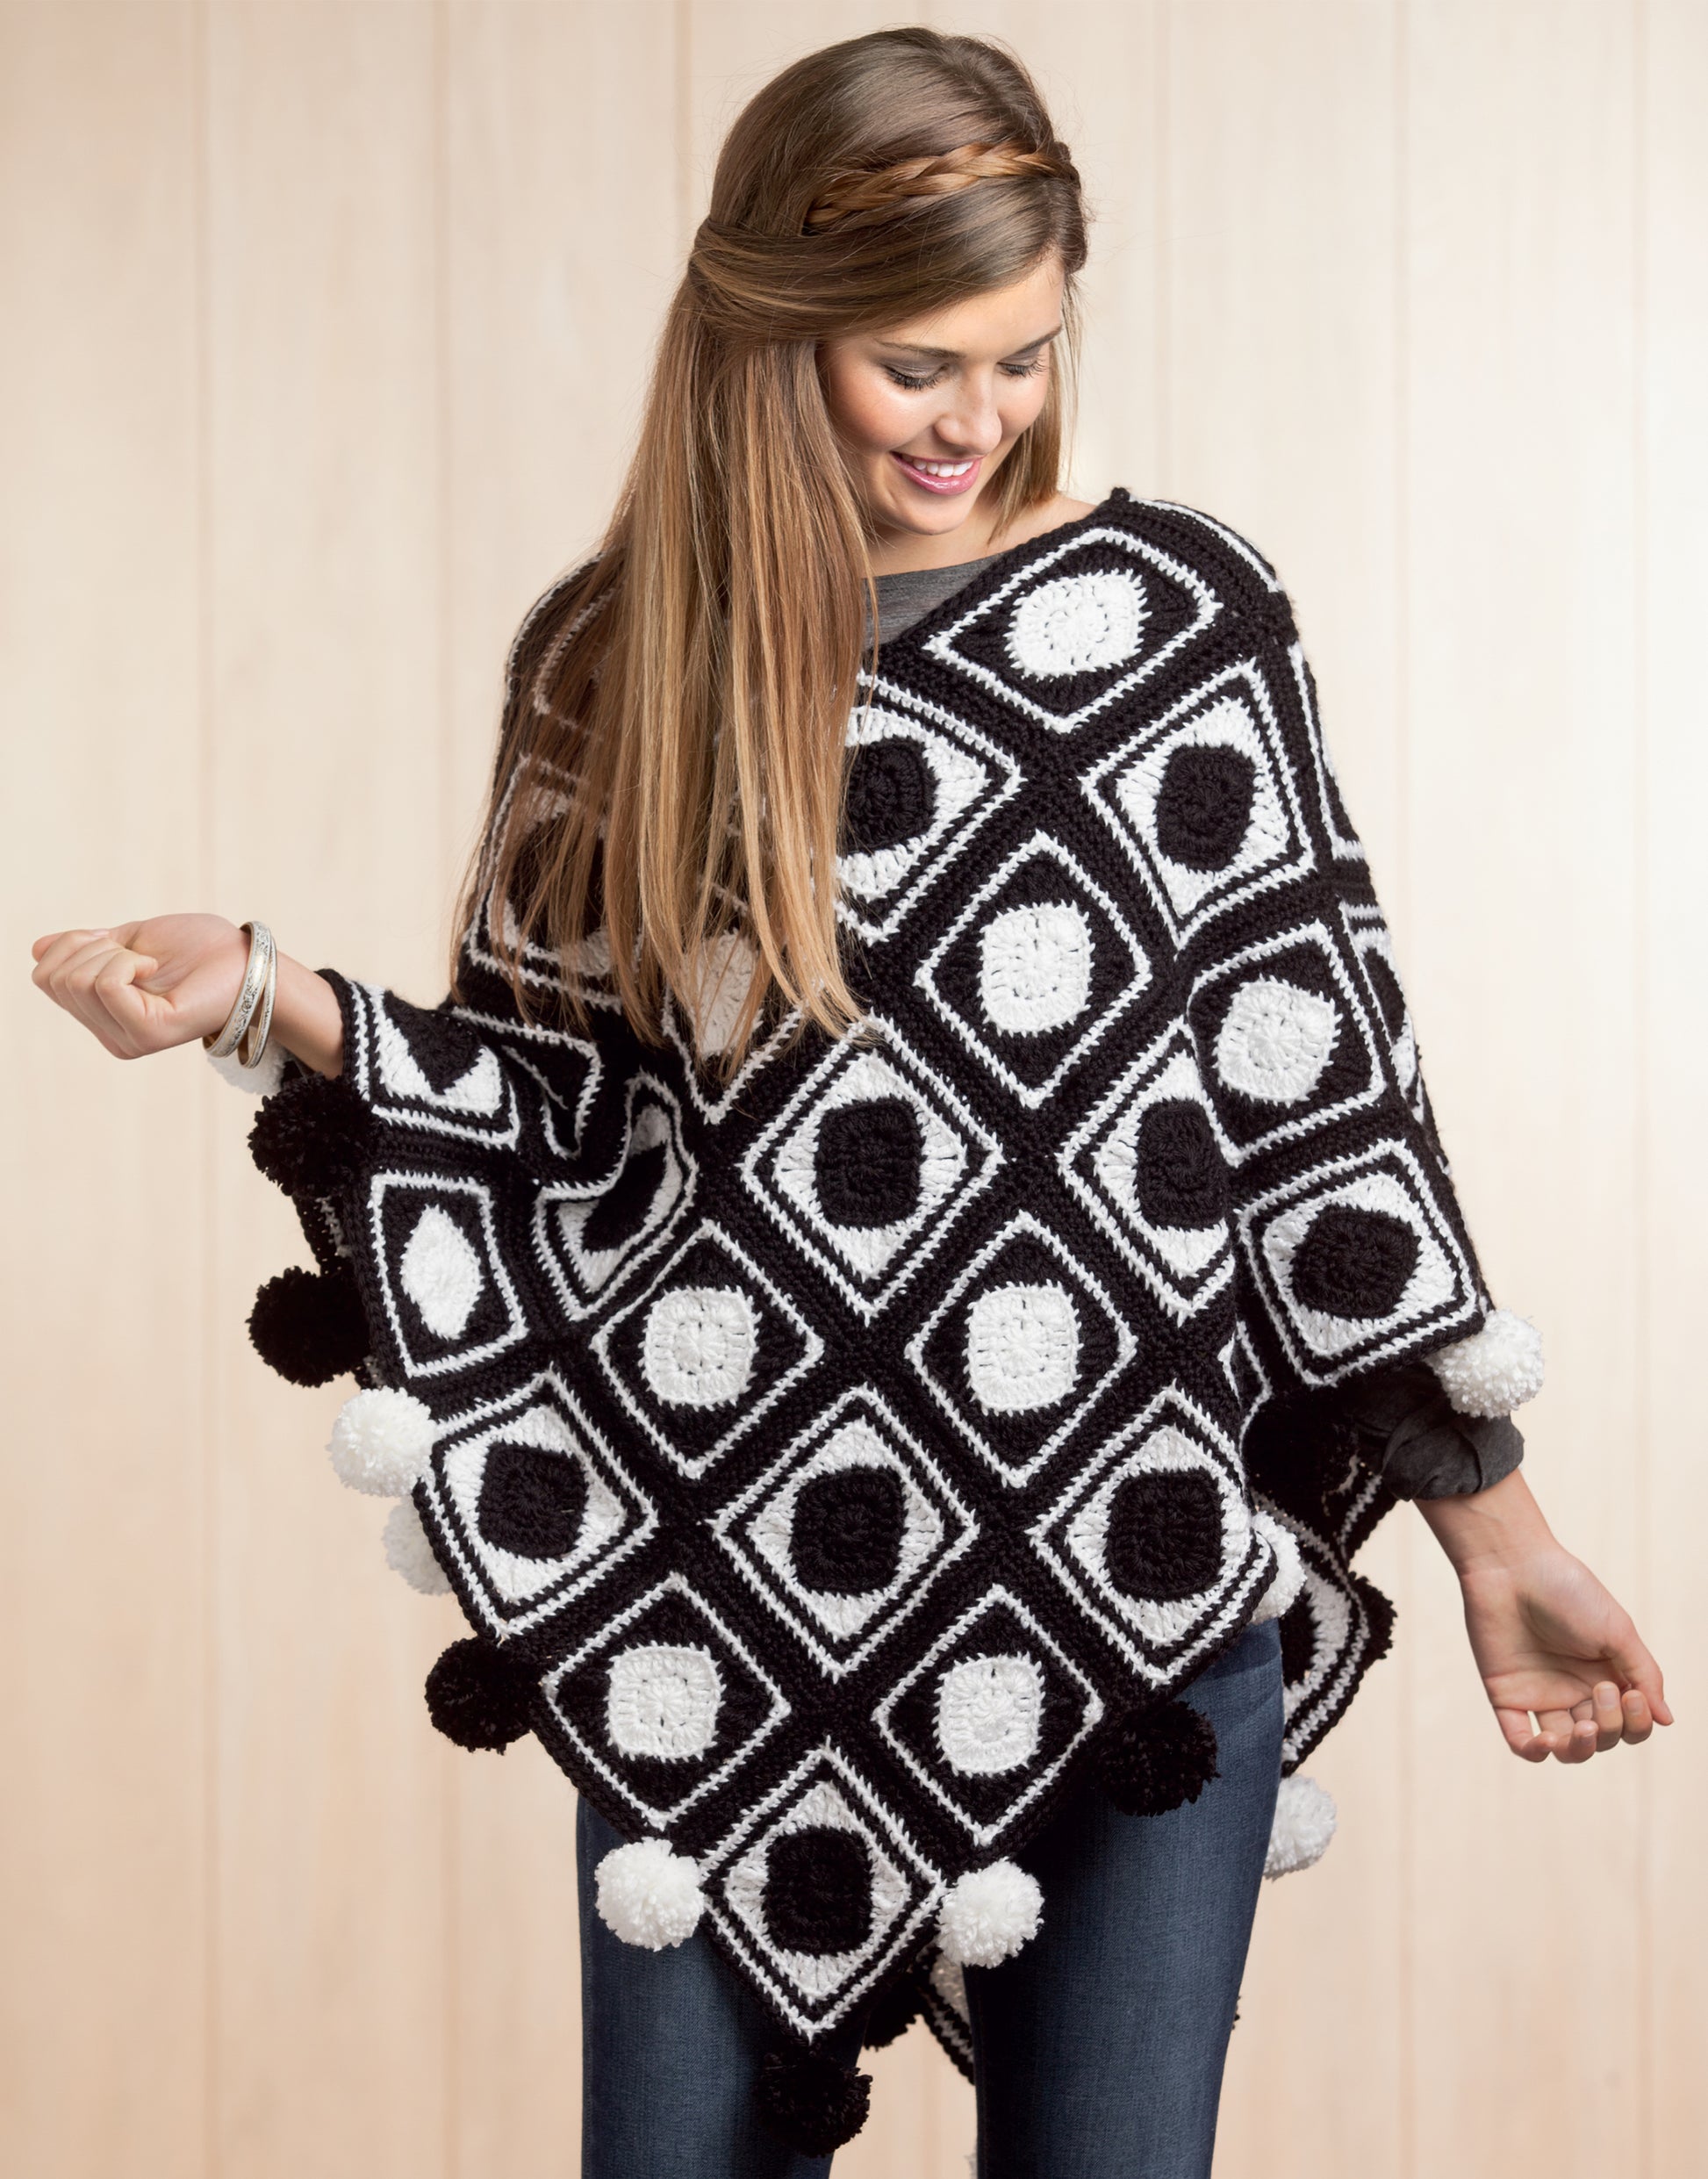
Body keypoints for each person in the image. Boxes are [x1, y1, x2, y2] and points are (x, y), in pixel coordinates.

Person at [31, 26, 1669, 2179]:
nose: (976, 417)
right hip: (723, 1591)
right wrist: (269, 993)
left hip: (1129, 1575)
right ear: (768, 331)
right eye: (918, 364)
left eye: (1021, 355)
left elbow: (1315, 1097)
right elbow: (563, 1105)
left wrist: (1497, 1527)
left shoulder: (1177, 621)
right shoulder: (613, 666)